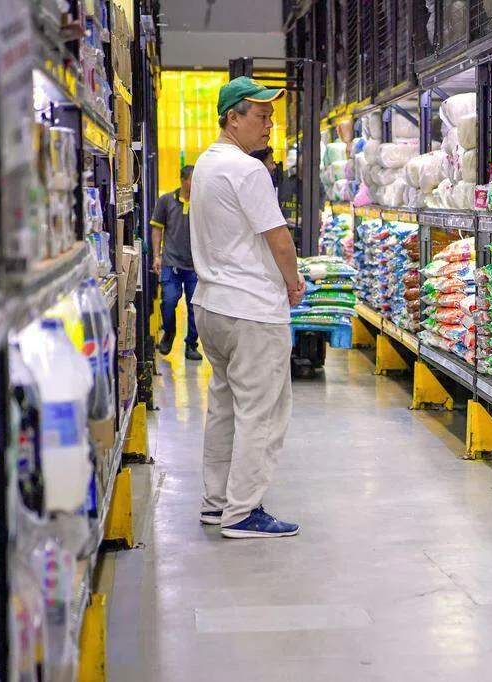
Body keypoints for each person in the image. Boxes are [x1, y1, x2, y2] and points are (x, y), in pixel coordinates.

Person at [189, 76, 305, 539]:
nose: (269, 125)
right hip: (252, 311)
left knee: (224, 408)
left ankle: (216, 503)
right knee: (263, 413)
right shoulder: (248, 170)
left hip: (212, 306)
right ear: (232, 118)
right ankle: (243, 512)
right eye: (261, 116)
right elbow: (279, 239)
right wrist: (293, 282)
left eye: (271, 116)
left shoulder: (206, 164)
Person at [150, 166, 202, 361]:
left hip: (195, 265)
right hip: (170, 262)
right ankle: (169, 331)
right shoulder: (166, 201)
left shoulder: (201, 203)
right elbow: (157, 229)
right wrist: (156, 256)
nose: (196, 184)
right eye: (193, 179)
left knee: (195, 307)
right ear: (182, 180)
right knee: (169, 301)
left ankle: (191, 345)